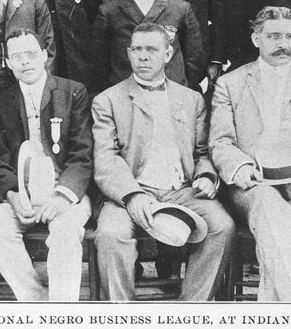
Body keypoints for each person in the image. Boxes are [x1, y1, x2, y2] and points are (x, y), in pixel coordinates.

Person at [92, 22, 234, 301]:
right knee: (110, 234)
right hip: (131, 189)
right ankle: (121, 316)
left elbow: (201, 153)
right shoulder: (107, 100)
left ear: (168, 55)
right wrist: (131, 195)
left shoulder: (191, 99)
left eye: (152, 50)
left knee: (222, 226)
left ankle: (190, 310)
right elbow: (106, 158)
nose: (143, 57)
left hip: (181, 190)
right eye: (137, 50)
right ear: (128, 53)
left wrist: (206, 176)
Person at [209, 6, 291, 301]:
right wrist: (241, 168)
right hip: (251, 188)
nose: (283, 44)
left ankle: (280, 308)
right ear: (256, 39)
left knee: (278, 229)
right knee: (269, 207)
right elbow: (221, 141)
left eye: (289, 36)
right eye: (274, 36)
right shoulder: (230, 84)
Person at [0, 29, 93, 301]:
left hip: (66, 192)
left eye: (31, 54)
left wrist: (62, 196)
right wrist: (12, 195)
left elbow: (83, 154)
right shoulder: (0, 103)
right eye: (16, 56)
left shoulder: (72, 92)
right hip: (21, 195)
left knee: (66, 233)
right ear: (7, 62)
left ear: (45, 55)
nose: (25, 62)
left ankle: (62, 310)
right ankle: (37, 304)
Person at [94, 0, 204, 90]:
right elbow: (100, 63)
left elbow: (194, 59)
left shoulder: (180, 8)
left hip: (170, 93)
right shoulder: (109, 11)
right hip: (125, 94)